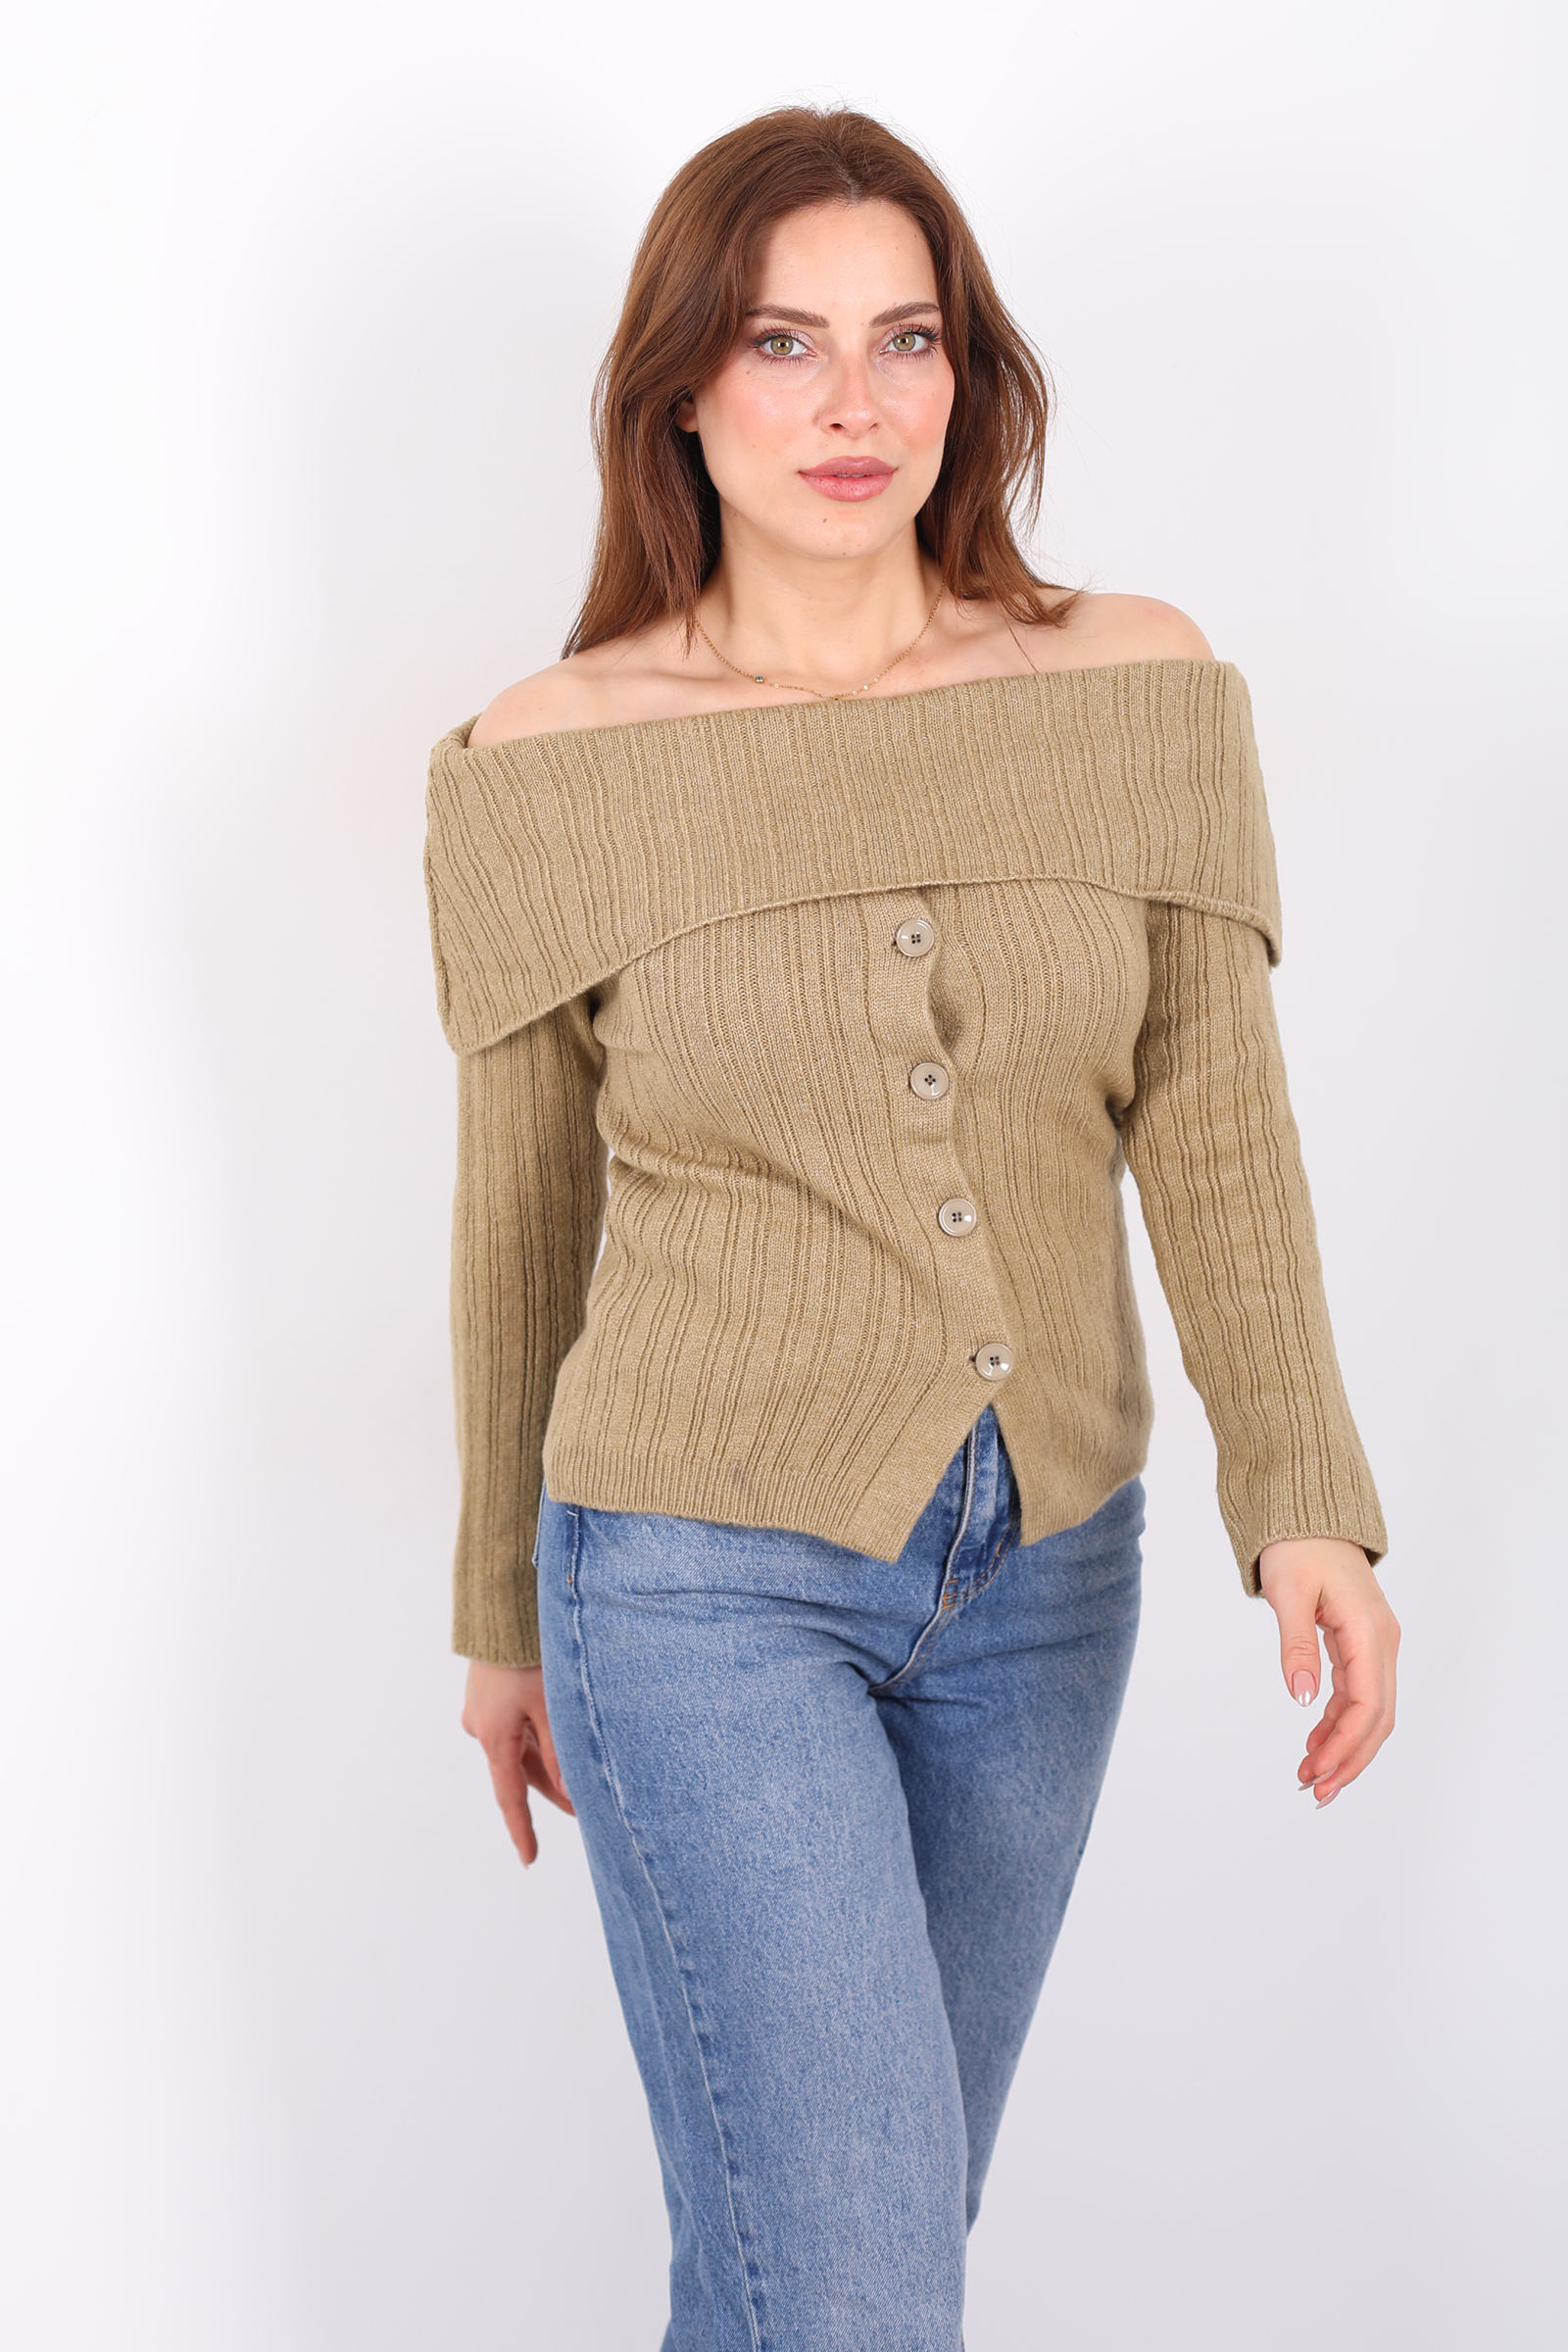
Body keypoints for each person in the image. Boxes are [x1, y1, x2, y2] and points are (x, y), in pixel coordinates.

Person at [422, 103, 1399, 2350]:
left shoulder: (1130, 685)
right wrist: (501, 1614)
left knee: (814, 2270)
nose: (851, 403)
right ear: (680, 386)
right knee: (855, 2290)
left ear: (967, 374)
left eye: (905, 340)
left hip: (1046, 1576)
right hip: (691, 1580)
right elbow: (519, 1220)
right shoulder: (545, 757)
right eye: (782, 342)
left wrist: (1302, 1499)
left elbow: (1212, 1114)